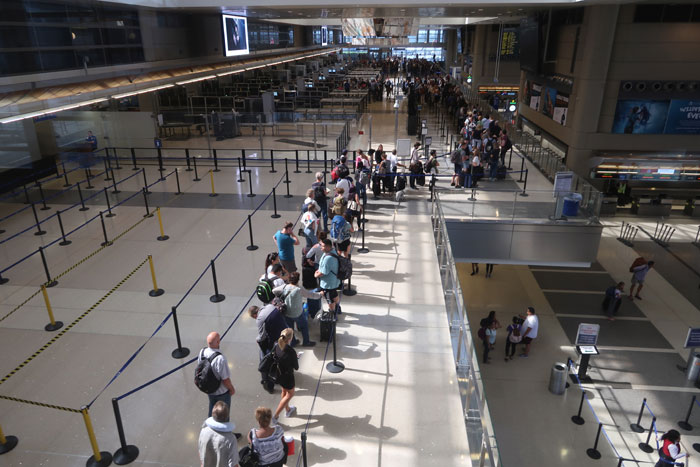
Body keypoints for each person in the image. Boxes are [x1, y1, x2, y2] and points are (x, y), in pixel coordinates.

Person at [249, 304, 288, 394]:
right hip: (285, 335)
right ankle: (280, 376)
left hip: (276, 341)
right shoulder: (270, 306)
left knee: (265, 359)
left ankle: (268, 383)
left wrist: (257, 339)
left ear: (255, 315)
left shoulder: (259, 319)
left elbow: (261, 336)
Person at [198, 332, 237, 420]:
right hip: (221, 392)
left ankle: (211, 427)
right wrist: (231, 389)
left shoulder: (202, 352)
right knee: (223, 413)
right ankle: (225, 431)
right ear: (218, 342)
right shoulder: (220, 359)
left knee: (212, 408)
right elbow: (225, 379)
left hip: (209, 389)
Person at [273, 272, 317, 347]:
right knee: (304, 326)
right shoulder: (299, 289)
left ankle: (293, 342)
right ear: (297, 280)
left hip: (287, 313)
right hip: (298, 313)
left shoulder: (284, 287)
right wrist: (320, 295)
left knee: (290, 329)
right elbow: (311, 295)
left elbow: (274, 291)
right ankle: (306, 342)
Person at [198, 401, 239, 467]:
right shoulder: (230, 438)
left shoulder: (204, 431)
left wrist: (202, 464)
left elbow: (200, 451)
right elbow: (233, 464)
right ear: (227, 416)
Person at [272, 329, 299, 424]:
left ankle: (287, 410)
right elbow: (296, 367)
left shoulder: (276, 345)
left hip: (279, 374)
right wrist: (295, 358)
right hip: (288, 377)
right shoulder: (291, 351)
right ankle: (275, 416)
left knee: (284, 391)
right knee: (290, 394)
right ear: (290, 339)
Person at [314, 239, 340, 313]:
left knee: (329, 299)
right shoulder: (331, 252)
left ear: (327, 247)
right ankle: (338, 308)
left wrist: (316, 275)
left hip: (328, 284)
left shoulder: (328, 258)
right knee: (334, 294)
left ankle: (332, 312)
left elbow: (323, 272)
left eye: (322, 246)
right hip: (333, 282)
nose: (320, 247)